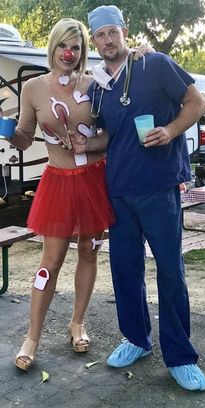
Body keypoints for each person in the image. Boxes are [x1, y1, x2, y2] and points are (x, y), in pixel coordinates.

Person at [84, 5, 205, 391]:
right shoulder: (98, 86)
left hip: (159, 186)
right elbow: (108, 138)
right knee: (125, 270)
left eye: (112, 32)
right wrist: (85, 143)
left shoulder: (154, 64)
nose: (107, 41)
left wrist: (171, 131)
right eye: (100, 35)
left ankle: (181, 357)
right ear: (94, 41)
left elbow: (197, 103)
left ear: (125, 31)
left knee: (170, 270)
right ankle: (136, 339)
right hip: (118, 189)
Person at [8, 17, 116, 371]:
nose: (69, 53)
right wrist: (9, 133)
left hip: (94, 180)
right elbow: (25, 136)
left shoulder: (97, 83)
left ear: (83, 51)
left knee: (89, 250)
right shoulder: (34, 88)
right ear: (53, 46)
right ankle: (32, 337)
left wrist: (140, 53)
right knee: (49, 263)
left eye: (77, 47)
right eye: (63, 46)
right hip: (58, 182)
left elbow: (114, 130)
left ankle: (77, 323)